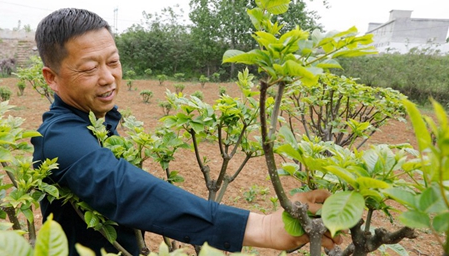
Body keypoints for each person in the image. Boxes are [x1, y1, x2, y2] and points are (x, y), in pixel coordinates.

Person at [31, 8, 342, 256]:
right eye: (88, 68)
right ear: (51, 77)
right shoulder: (59, 137)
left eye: (113, 61)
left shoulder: (99, 119)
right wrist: (261, 227)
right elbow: (124, 189)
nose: (108, 77)